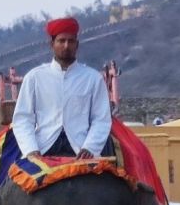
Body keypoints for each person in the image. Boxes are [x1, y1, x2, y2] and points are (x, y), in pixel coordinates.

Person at [11, 18, 113, 158]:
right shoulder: (34, 77)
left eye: (71, 41)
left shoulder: (93, 78)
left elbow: (101, 119)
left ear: (77, 45)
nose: (66, 46)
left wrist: (90, 148)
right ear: (52, 44)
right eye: (61, 41)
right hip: (42, 148)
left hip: (81, 149)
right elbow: (23, 119)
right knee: (14, 178)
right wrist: (31, 149)